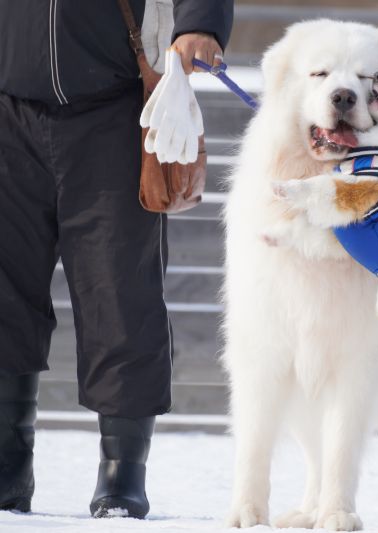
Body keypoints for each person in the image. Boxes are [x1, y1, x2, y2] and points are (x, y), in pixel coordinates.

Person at [0, 0, 233, 519]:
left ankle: (121, 472)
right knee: (3, 290)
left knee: (121, 290)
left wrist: (200, 24)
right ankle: (6, 465)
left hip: (114, 107)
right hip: (6, 105)